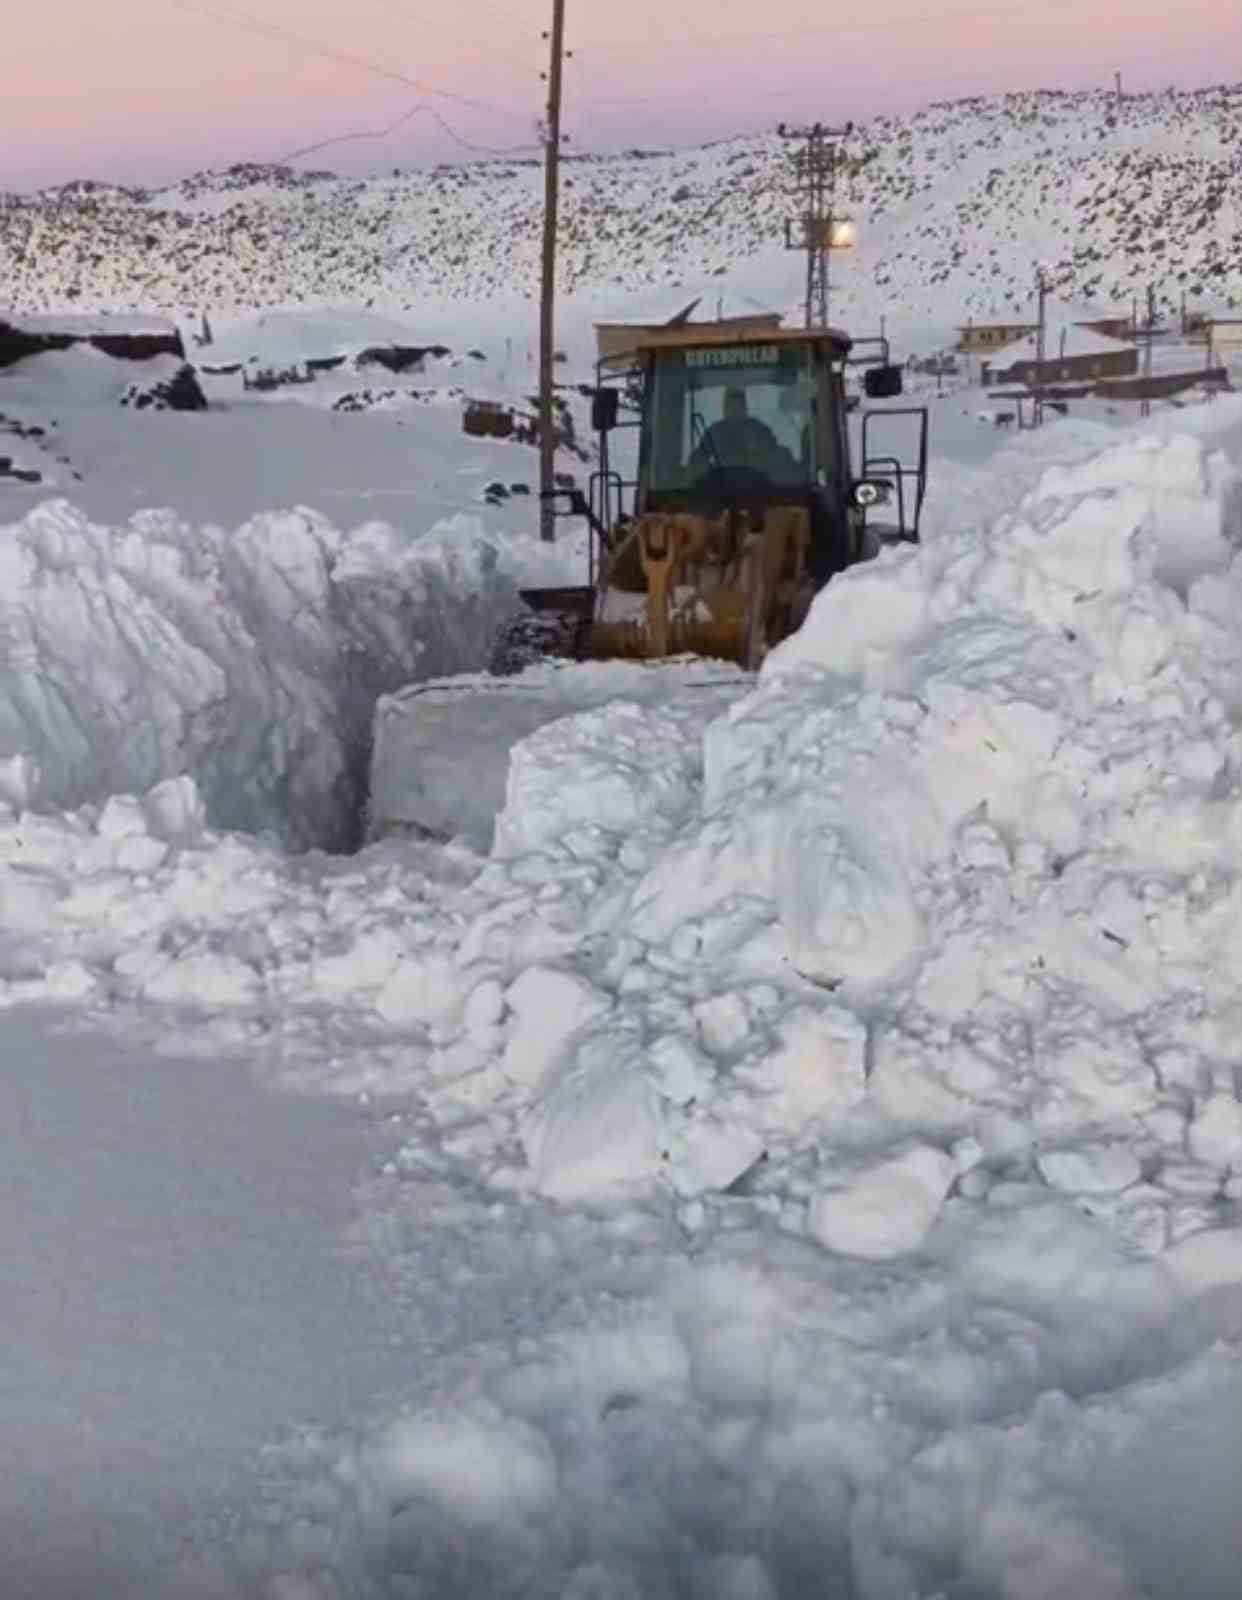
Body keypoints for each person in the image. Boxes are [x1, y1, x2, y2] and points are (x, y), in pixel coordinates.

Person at [689, 386, 786, 476]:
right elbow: (699, 459)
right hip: (721, 486)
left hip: (756, 484)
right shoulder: (715, 433)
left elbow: (776, 453)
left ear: (745, 407)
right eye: (731, 405)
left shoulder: (760, 430)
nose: (735, 408)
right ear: (724, 408)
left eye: (739, 404)